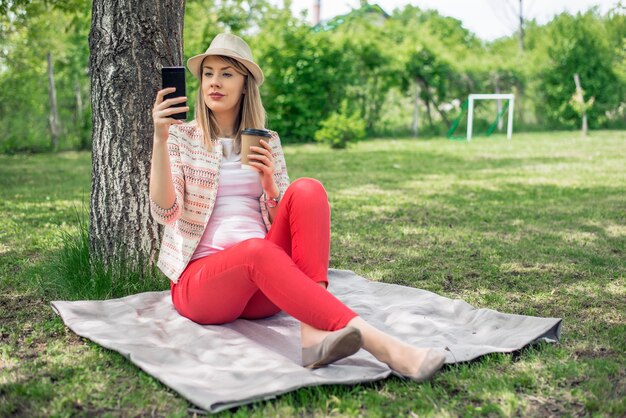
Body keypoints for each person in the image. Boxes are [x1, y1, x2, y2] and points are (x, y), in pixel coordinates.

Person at [149, 33, 445, 380]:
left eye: (227, 73)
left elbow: (287, 222)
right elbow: (165, 212)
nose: (215, 82)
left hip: (262, 288)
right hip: (202, 287)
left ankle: (314, 329)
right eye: (209, 73)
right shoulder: (181, 137)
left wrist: (270, 186)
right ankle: (388, 348)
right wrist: (160, 138)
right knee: (256, 250)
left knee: (308, 190)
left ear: (245, 85)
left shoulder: (266, 140)